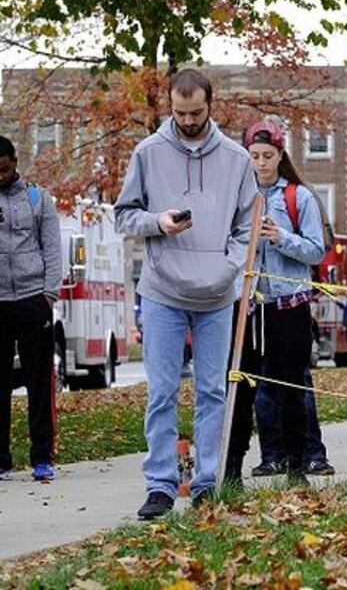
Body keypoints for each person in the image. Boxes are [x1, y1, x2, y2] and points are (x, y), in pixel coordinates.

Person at [115, 69, 257, 519]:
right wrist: (158, 223)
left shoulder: (236, 159)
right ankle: (159, 485)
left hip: (217, 294)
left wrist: (229, 266)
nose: (189, 120)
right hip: (162, 291)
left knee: (213, 391)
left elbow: (247, 228)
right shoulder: (148, 152)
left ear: (211, 105)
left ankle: (206, 483)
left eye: (196, 112)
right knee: (161, 391)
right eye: (180, 112)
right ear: (169, 108)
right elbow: (123, 217)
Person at [223, 119, 333, 486]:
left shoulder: (299, 197)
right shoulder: (237, 197)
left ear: (281, 155)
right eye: (254, 156)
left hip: (290, 305)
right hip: (247, 306)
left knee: (292, 388)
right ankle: (233, 467)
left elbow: (318, 251)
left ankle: (297, 466)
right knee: (240, 388)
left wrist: (281, 236)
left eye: (268, 155)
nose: (261, 163)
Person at [0, 135, 61, 481]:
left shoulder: (37, 198)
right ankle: (1, 459)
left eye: (5, 170)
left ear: (15, 163)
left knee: (39, 383)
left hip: (32, 300)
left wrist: (48, 295)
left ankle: (42, 457)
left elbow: (52, 248)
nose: (0, 176)